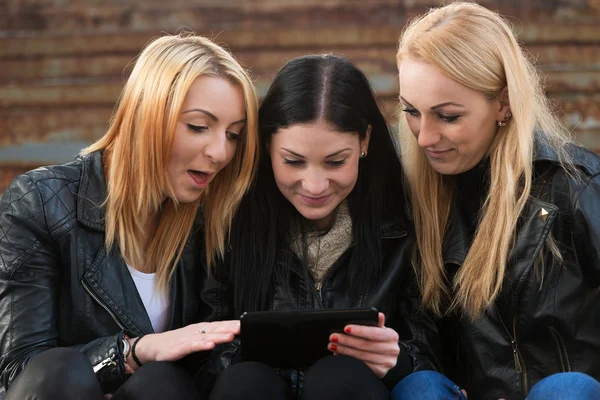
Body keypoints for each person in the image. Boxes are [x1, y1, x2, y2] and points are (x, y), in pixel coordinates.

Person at [0, 33, 259, 400]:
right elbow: (21, 372)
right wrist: (129, 353)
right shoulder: (41, 203)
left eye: (234, 135)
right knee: (64, 369)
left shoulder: (209, 222)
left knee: (164, 384)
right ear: (146, 115)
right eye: (199, 127)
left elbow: (211, 366)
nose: (220, 152)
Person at [391, 2, 600, 400]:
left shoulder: (578, 187)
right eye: (411, 112)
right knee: (420, 386)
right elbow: (417, 336)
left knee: (567, 389)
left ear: (503, 103)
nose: (423, 138)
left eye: (447, 116)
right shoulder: (413, 193)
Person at [199, 54, 438, 400]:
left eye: (335, 162)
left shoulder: (405, 224)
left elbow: (436, 357)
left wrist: (396, 359)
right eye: (293, 161)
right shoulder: (229, 220)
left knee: (336, 378)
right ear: (268, 146)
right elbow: (202, 353)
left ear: (365, 142)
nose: (314, 186)